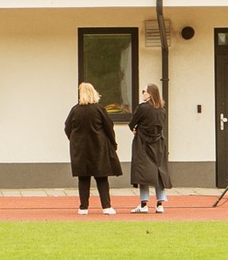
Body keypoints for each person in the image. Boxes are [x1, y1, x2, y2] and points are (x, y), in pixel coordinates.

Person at [65, 83, 120, 212]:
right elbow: (109, 127)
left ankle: (83, 207)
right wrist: (113, 143)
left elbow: (67, 128)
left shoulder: (75, 110)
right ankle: (106, 206)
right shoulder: (99, 109)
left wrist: (74, 140)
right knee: (102, 178)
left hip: (80, 149)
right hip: (98, 148)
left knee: (83, 178)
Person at [128, 83, 170, 213]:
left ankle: (144, 204)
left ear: (150, 93)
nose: (142, 93)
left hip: (142, 143)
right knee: (159, 171)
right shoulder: (162, 109)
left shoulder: (142, 108)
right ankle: (160, 204)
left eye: (143, 91)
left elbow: (132, 123)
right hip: (158, 144)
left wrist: (135, 129)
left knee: (143, 171)